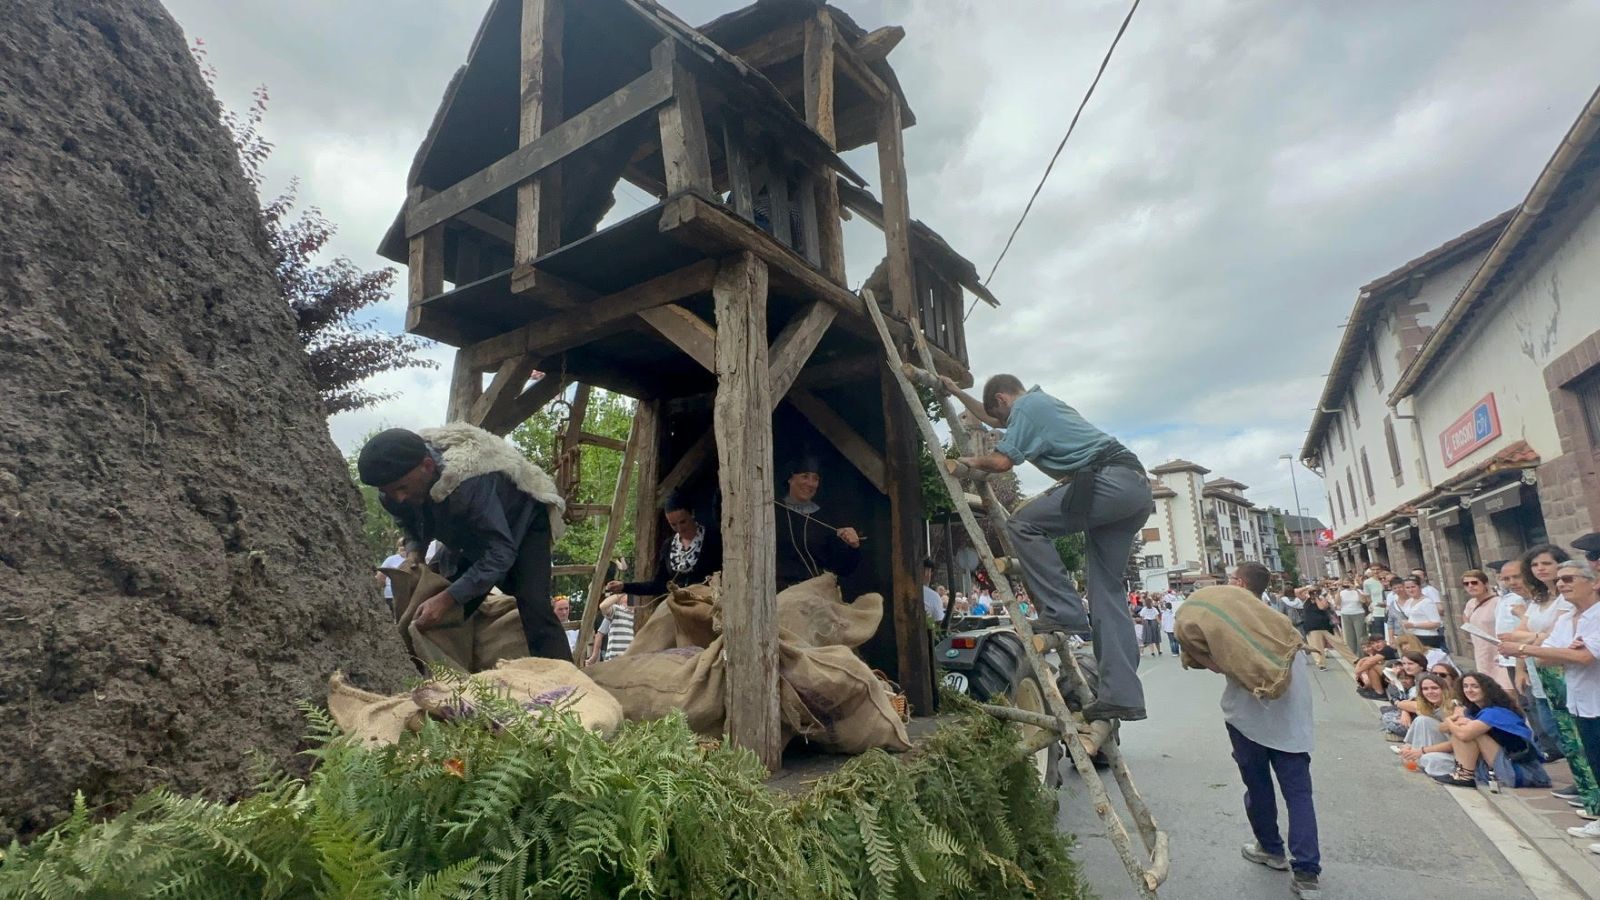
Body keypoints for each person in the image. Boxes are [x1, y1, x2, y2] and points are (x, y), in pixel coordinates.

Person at [944, 372, 1152, 722]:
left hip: (1107, 481)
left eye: (1001, 415)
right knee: (1106, 593)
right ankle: (1122, 696)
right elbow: (991, 417)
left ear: (1003, 399)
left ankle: (1063, 609)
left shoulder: (1026, 407)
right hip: (1134, 490)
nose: (1002, 425)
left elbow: (1001, 462)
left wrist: (967, 463)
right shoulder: (1038, 405)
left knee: (1023, 524)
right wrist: (955, 391)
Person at [358, 425, 570, 662]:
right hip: (465, 535)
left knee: (533, 605)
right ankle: (438, 669)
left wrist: (448, 598)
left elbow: (500, 552)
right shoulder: (393, 492)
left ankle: (563, 677)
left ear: (427, 466)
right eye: (387, 491)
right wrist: (415, 551)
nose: (398, 498)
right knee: (431, 599)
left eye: (402, 488)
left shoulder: (469, 483)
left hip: (521, 523)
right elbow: (408, 522)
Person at [1182, 577, 1322, 898]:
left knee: (1258, 788)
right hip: (1292, 726)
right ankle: (1306, 872)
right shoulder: (1285, 627)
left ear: (1240, 584)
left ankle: (1271, 849)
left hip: (1247, 723)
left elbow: (1217, 665)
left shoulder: (1236, 628)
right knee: (1299, 796)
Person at [1504, 558, 1600, 834]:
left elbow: (1584, 657)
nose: (1561, 584)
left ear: (1593, 582)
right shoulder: (1567, 619)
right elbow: (1546, 658)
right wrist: (1564, 651)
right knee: (1594, 760)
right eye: (1559, 580)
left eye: (1568, 579)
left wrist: (1524, 648)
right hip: (1580, 700)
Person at [1431, 671, 1550, 790]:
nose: (1469, 690)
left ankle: (1464, 776)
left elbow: (1464, 735)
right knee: (1461, 730)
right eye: (1465, 686)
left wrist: (1452, 721)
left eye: (1475, 686)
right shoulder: (1473, 710)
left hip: (1519, 770)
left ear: (1487, 689)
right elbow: (1442, 728)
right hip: (1497, 764)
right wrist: (1458, 721)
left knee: (1468, 732)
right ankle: (1462, 773)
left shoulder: (1496, 712)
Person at [773, 456, 861, 591]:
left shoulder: (828, 517)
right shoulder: (772, 513)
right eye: (805, 476)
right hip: (780, 593)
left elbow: (844, 569)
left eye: (815, 479)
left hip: (818, 593)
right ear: (790, 479)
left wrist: (853, 547)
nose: (810, 483)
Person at [1396, 673, 1461, 778]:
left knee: (1429, 759)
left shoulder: (1455, 707)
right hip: (1434, 749)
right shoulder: (1429, 705)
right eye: (1425, 689)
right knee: (1422, 720)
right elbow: (1404, 703)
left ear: (1444, 690)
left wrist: (1421, 751)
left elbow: (1455, 743)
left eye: (1435, 688)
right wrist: (1405, 711)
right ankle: (1413, 755)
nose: (1430, 692)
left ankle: (1417, 757)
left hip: (1456, 753)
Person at [1459, 569, 1514, 689]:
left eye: (1474, 582)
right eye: (1466, 584)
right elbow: (1466, 621)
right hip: (1482, 652)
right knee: (1488, 688)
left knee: (1506, 688)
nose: (1470, 586)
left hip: (1499, 651)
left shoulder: (1498, 602)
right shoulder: (1470, 604)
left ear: (1485, 584)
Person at [1282, 586, 1337, 670]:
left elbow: (1322, 607)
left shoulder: (1321, 598)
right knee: (1302, 642)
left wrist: (1317, 596)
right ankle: (1318, 662)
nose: (1313, 593)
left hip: (1311, 623)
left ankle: (1312, 655)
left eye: (1315, 591)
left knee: (1304, 641)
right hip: (1301, 623)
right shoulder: (1302, 600)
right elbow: (1295, 592)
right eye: (1312, 592)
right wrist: (1307, 587)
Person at [1398, 576, 1444, 650]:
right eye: (1407, 588)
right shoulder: (1409, 601)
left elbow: (1436, 623)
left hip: (1427, 637)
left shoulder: (1427, 602)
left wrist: (1414, 625)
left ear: (1419, 587)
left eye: (1413, 587)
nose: (1410, 590)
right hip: (1413, 636)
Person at [376, 537, 408, 612]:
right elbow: (380, 577)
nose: (403, 548)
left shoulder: (416, 560)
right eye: (400, 545)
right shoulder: (391, 559)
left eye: (405, 545)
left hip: (409, 597)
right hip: (391, 596)